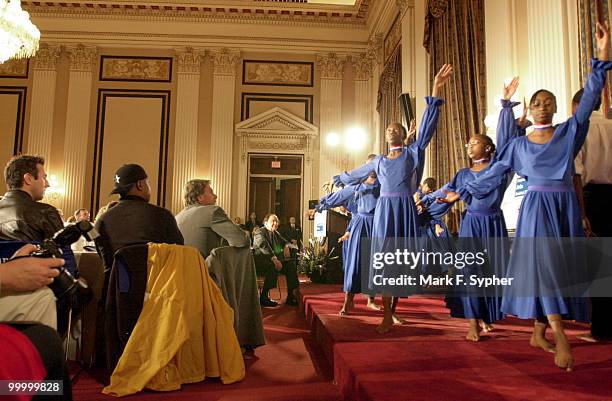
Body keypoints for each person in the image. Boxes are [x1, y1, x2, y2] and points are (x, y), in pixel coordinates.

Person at [443, 22, 611, 371]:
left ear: (555, 108)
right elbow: (490, 171)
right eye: (537, 102)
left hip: (564, 206)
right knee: (547, 268)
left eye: (549, 102)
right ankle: (560, 334)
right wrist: (455, 191)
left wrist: (602, 55)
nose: (543, 106)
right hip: (537, 209)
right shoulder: (518, 145)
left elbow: (591, 97)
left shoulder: (569, 133)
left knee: (560, 269)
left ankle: (538, 332)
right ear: (529, 110)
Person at [333, 64, 453, 333]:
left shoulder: (414, 153)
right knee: (385, 259)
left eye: (395, 128)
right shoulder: (379, 161)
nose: (390, 130)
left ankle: (392, 311)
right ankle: (386, 313)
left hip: (405, 209)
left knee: (401, 260)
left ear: (403, 133)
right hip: (386, 211)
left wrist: (435, 88)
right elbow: (355, 174)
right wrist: (338, 179)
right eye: (387, 129)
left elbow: (428, 128)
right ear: (385, 137)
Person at [437, 77, 526, 341]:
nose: (468, 146)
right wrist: (422, 200)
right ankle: (473, 321)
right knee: (469, 272)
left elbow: (508, 143)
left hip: (494, 223)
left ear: (488, 147)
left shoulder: (499, 167)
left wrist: (507, 105)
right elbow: (444, 192)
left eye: (473, 142)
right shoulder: (462, 173)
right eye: (467, 144)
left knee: (492, 272)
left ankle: (487, 315)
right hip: (471, 225)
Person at [317, 155, 382, 315]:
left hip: (378, 225)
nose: (371, 170)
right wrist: (320, 206)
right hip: (360, 225)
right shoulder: (356, 186)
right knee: (355, 263)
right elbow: (338, 197)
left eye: (373, 167)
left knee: (374, 263)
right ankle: (348, 301)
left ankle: (371, 300)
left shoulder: (383, 185)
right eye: (367, 167)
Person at [572, 88, 612, 342]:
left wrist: (581, 212)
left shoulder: (581, 129)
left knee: (598, 268)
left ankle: (600, 329)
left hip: (592, 198)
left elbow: (576, 175)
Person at [94, 164, 184, 271]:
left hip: (118, 285)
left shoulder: (102, 220)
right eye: (148, 183)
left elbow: (107, 263)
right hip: (157, 285)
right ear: (140, 185)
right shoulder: (162, 216)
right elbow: (179, 252)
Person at [176, 179, 250, 259]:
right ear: (200, 197)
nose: (216, 196)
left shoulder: (177, 217)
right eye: (211, 192)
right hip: (205, 269)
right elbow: (241, 240)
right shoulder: (212, 212)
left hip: (182, 268)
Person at [0, 155, 63, 242]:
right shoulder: (46, 212)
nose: (48, 184)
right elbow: (63, 254)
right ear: (28, 179)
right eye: (44, 177)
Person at [253, 214, 299, 307]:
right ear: (266, 223)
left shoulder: (275, 233)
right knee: (272, 267)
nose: (276, 223)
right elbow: (263, 245)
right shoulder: (259, 232)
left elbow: (284, 241)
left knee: (290, 265)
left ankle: (291, 295)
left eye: (277, 221)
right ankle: (264, 297)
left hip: (274, 261)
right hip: (261, 262)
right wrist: (274, 259)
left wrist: (286, 245)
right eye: (273, 221)